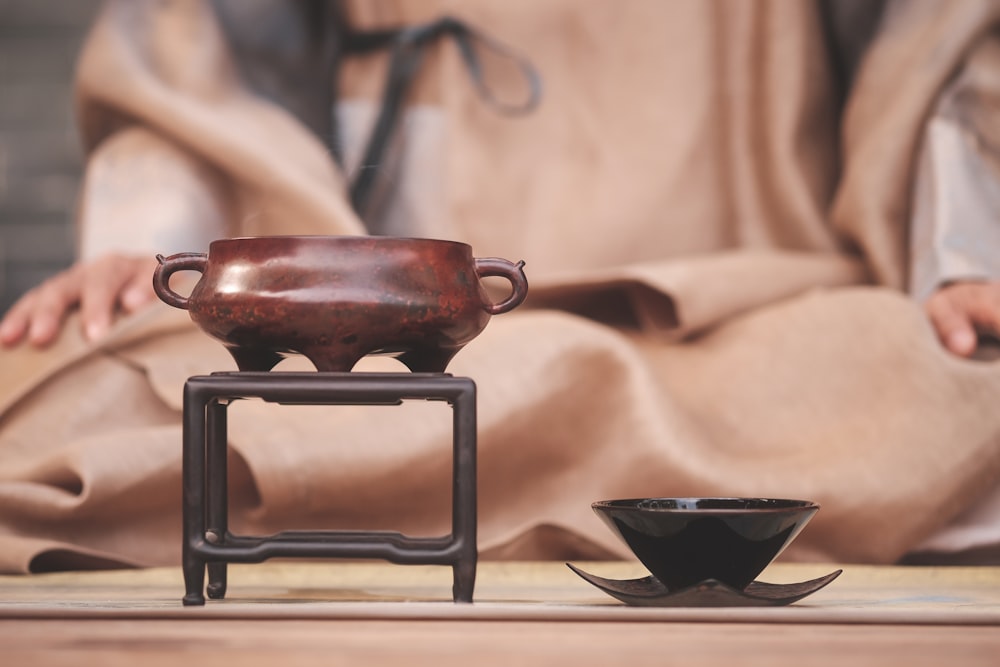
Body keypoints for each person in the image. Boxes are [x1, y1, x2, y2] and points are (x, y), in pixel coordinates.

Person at [1, 0, 999, 574]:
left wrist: (960, 251)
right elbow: (202, 59)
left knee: (947, 388)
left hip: (752, 306)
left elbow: (933, 39)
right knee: (60, 399)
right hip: (362, 306)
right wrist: (158, 241)